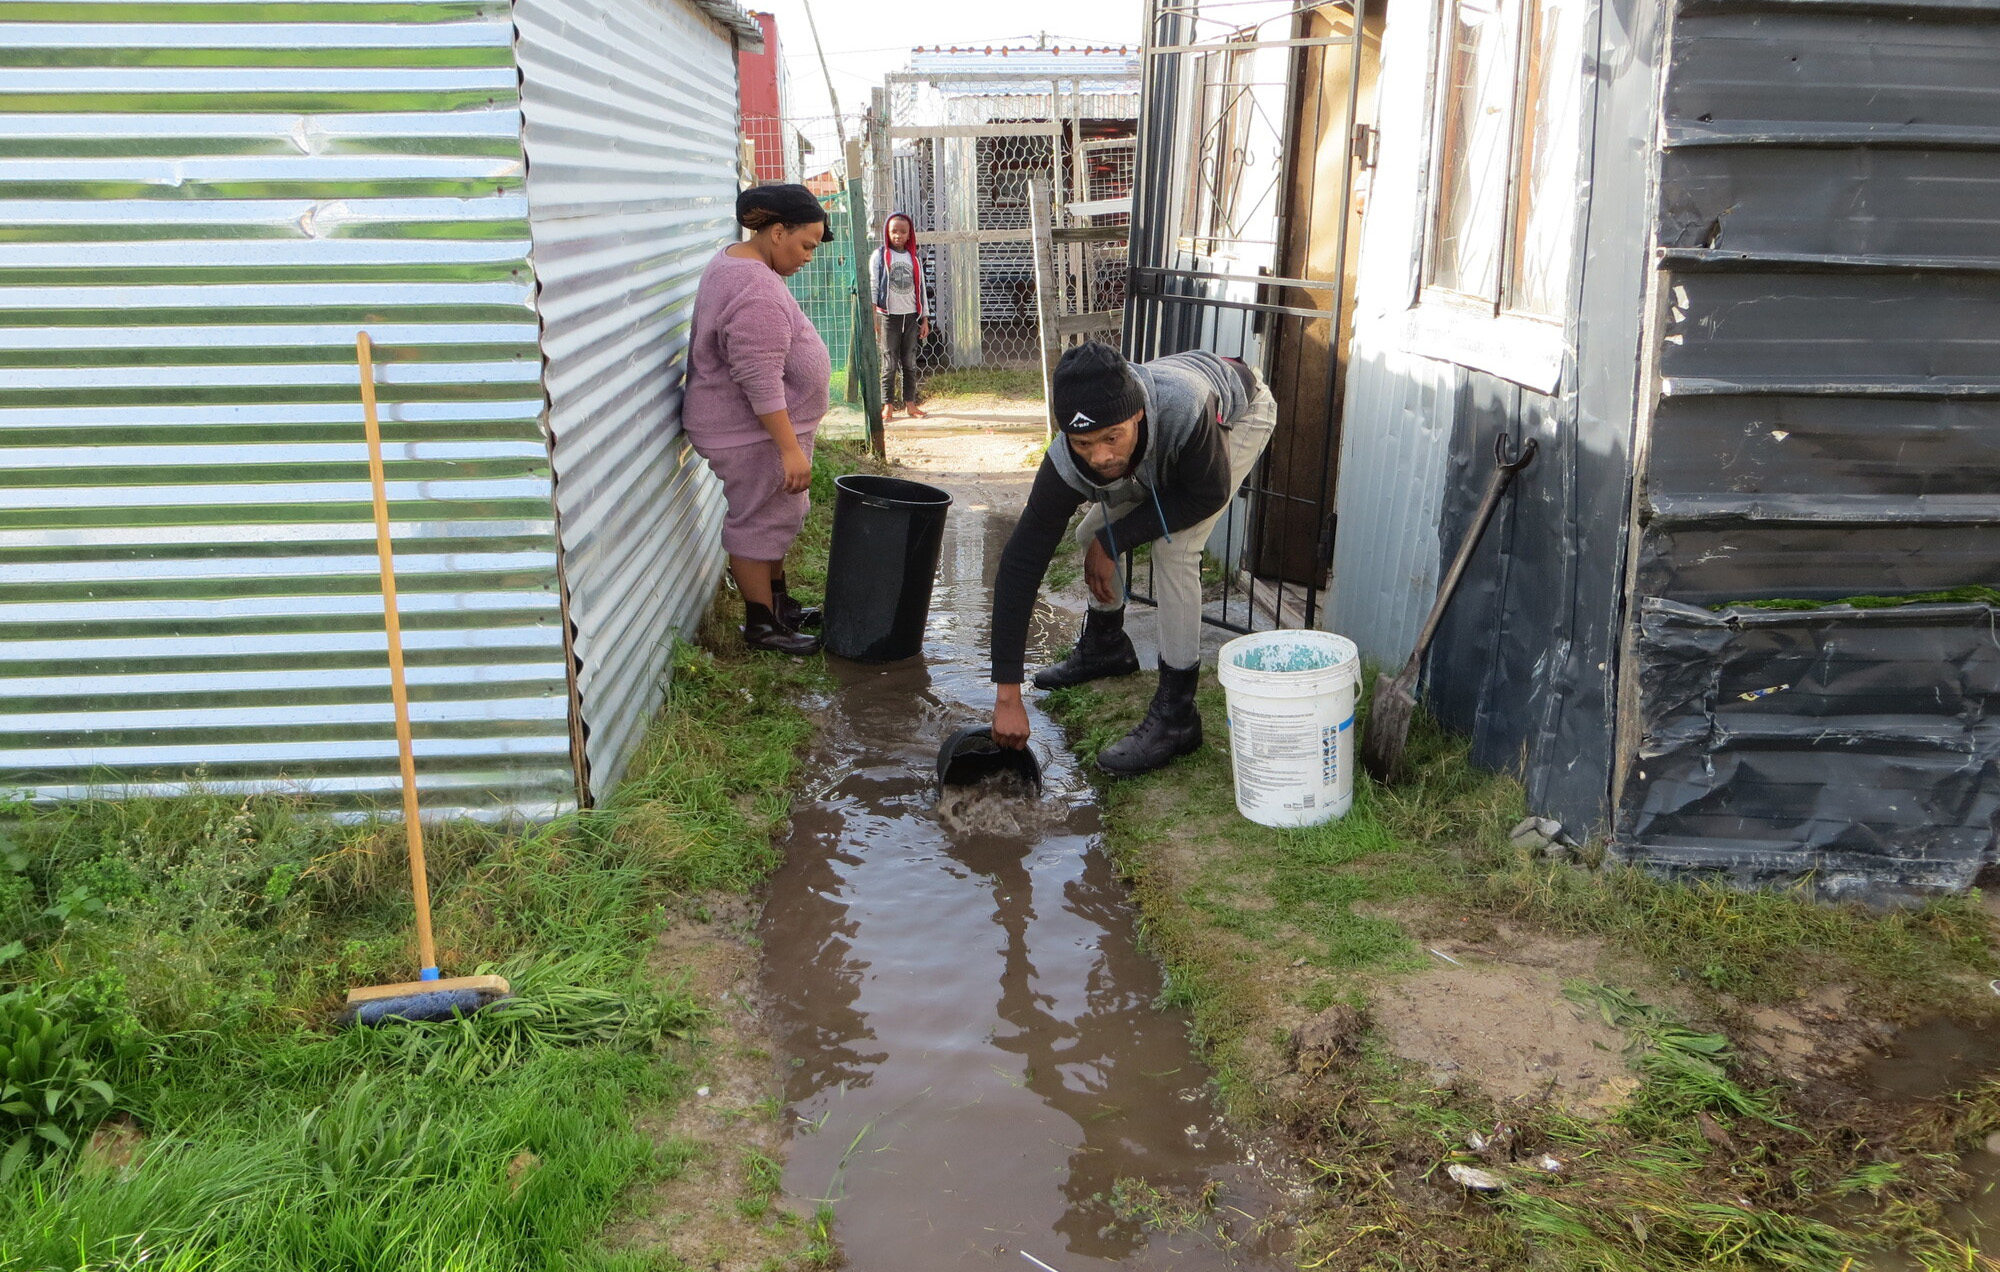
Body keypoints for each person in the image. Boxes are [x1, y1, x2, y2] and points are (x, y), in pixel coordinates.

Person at [987, 341, 1278, 775]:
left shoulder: (1186, 407)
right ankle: (1107, 646)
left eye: (1111, 437)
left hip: (1236, 413)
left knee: (1175, 548)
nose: (1100, 456)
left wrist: (1116, 539)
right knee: (1088, 532)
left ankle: (1178, 715)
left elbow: (1206, 494)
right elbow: (1020, 563)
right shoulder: (1067, 459)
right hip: (1166, 442)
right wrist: (1007, 696)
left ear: (1137, 412)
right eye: (1083, 442)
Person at [683, 183, 832, 656]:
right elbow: (759, 377)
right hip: (747, 431)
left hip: (752, 428)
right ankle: (762, 624)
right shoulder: (754, 288)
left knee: (778, 513)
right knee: (758, 520)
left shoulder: (739, 264)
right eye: (805, 245)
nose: (809, 256)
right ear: (776, 231)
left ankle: (779, 606)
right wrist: (788, 448)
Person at [871, 212, 928, 421]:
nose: (898, 235)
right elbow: (873, 286)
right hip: (888, 317)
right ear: (887, 232)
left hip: (911, 317)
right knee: (889, 362)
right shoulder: (880, 256)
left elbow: (920, 289)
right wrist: (874, 317)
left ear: (909, 234)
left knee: (910, 363)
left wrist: (924, 319)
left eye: (903, 232)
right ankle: (887, 406)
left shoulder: (913, 258)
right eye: (894, 231)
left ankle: (910, 405)